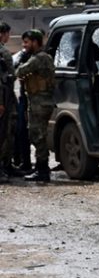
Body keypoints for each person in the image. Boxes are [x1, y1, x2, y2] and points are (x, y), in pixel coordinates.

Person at [17, 29, 55, 182]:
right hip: (40, 102)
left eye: (27, 42)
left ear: (35, 42)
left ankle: (42, 170)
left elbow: (20, 71)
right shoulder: (44, 57)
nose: (24, 45)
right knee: (38, 135)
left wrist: (21, 62)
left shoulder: (38, 58)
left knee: (37, 136)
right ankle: (41, 168)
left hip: (39, 103)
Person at [0, 22, 17, 183]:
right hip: (3, 97)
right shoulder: (4, 52)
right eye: (7, 33)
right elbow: (11, 77)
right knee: (4, 132)